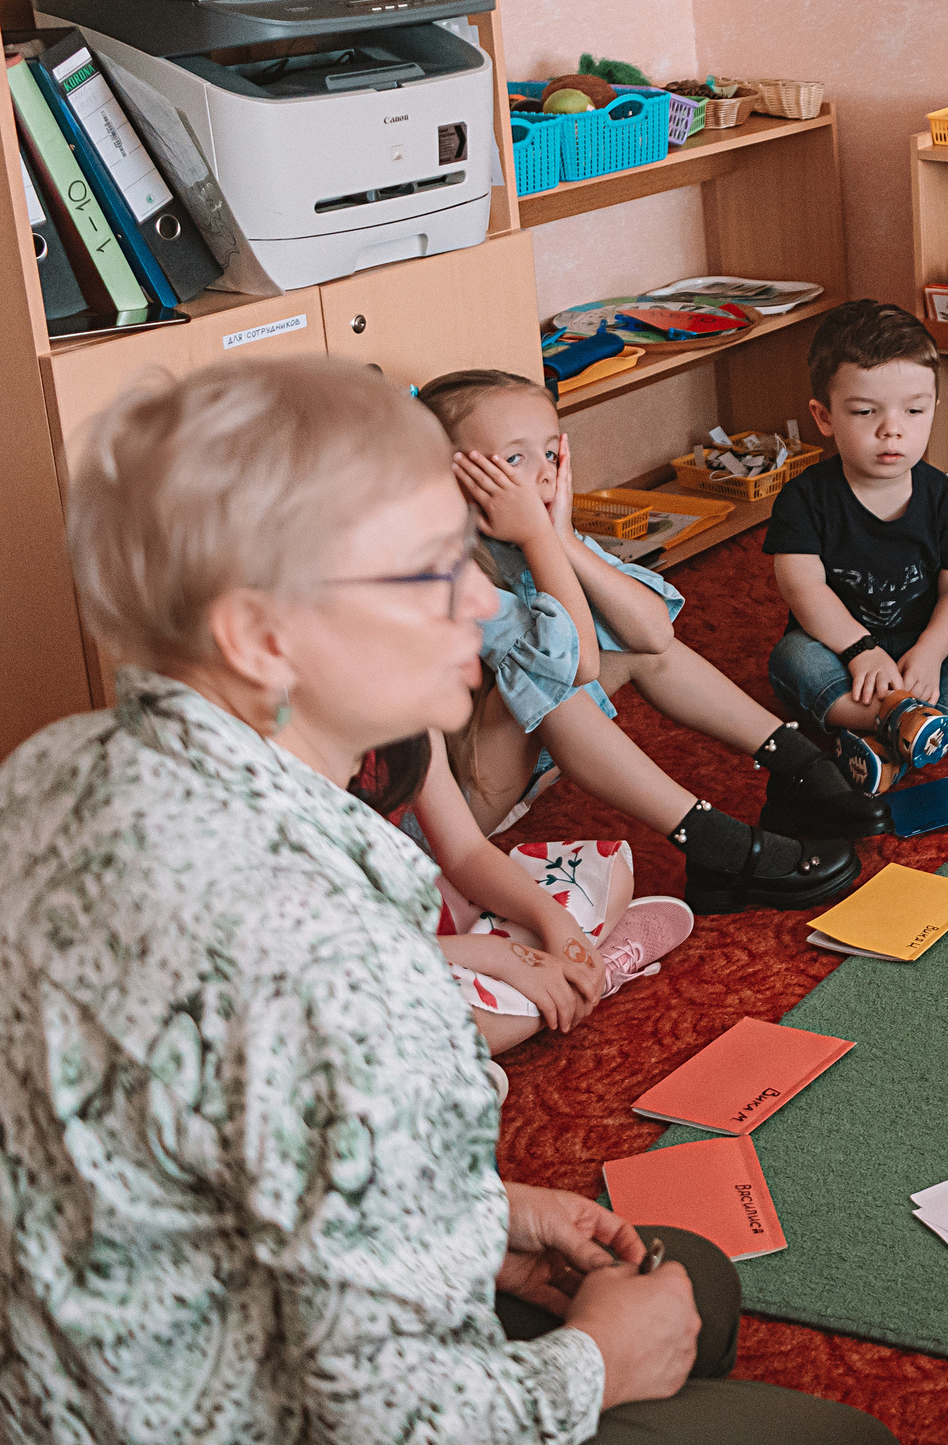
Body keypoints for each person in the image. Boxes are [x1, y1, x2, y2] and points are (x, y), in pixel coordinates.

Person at [0, 355, 892, 1443]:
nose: (479, 597)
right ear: (259, 637)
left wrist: (487, 1214)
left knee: (686, 1272)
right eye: (430, 571)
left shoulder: (44, 770)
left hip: (82, 1368)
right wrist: (592, 1368)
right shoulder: (340, 964)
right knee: (836, 1429)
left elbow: (205, 1150)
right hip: (233, 1406)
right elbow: (391, 1421)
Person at [418, 369, 860, 916]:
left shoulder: (529, 529)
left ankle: (800, 768)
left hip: (505, 771)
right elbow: (573, 668)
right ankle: (713, 844)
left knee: (629, 645)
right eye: (514, 460)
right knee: (547, 674)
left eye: (551, 452)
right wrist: (540, 535)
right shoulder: (448, 571)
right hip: (444, 818)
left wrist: (559, 541)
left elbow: (654, 633)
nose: (543, 475)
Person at [766, 301, 948, 793]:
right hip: (838, 649)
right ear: (824, 416)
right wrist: (858, 649)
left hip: (923, 653)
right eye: (864, 411)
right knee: (792, 659)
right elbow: (801, 586)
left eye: (913, 410)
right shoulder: (804, 498)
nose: (892, 428)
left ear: (934, 408)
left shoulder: (945, 498)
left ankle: (887, 743)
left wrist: (933, 652)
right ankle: (909, 726)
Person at [354, 729, 694, 1067]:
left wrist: (559, 927)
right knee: (454, 1025)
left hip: (415, 906)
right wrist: (503, 956)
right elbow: (338, 947)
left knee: (612, 874)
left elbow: (466, 853)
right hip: (359, 956)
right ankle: (584, 981)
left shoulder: (413, 721)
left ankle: (559, 985)